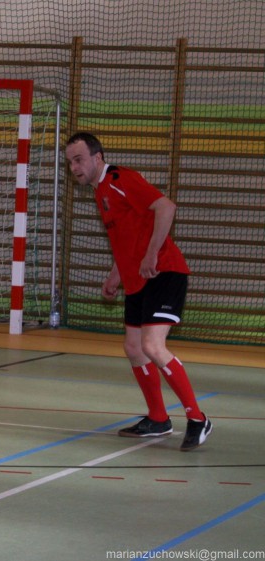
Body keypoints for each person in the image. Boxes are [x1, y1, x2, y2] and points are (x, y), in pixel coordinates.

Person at [64, 132, 212, 452]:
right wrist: (114, 275)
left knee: (152, 345)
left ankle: (197, 419)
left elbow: (166, 207)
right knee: (134, 348)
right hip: (137, 279)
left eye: (79, 160)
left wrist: (151, 254)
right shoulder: (100, 191)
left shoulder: (121, 179)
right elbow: (127, 238)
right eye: (70, 162)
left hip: (163, 272)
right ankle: (158, 418)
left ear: (97, 158)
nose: (74, 167)